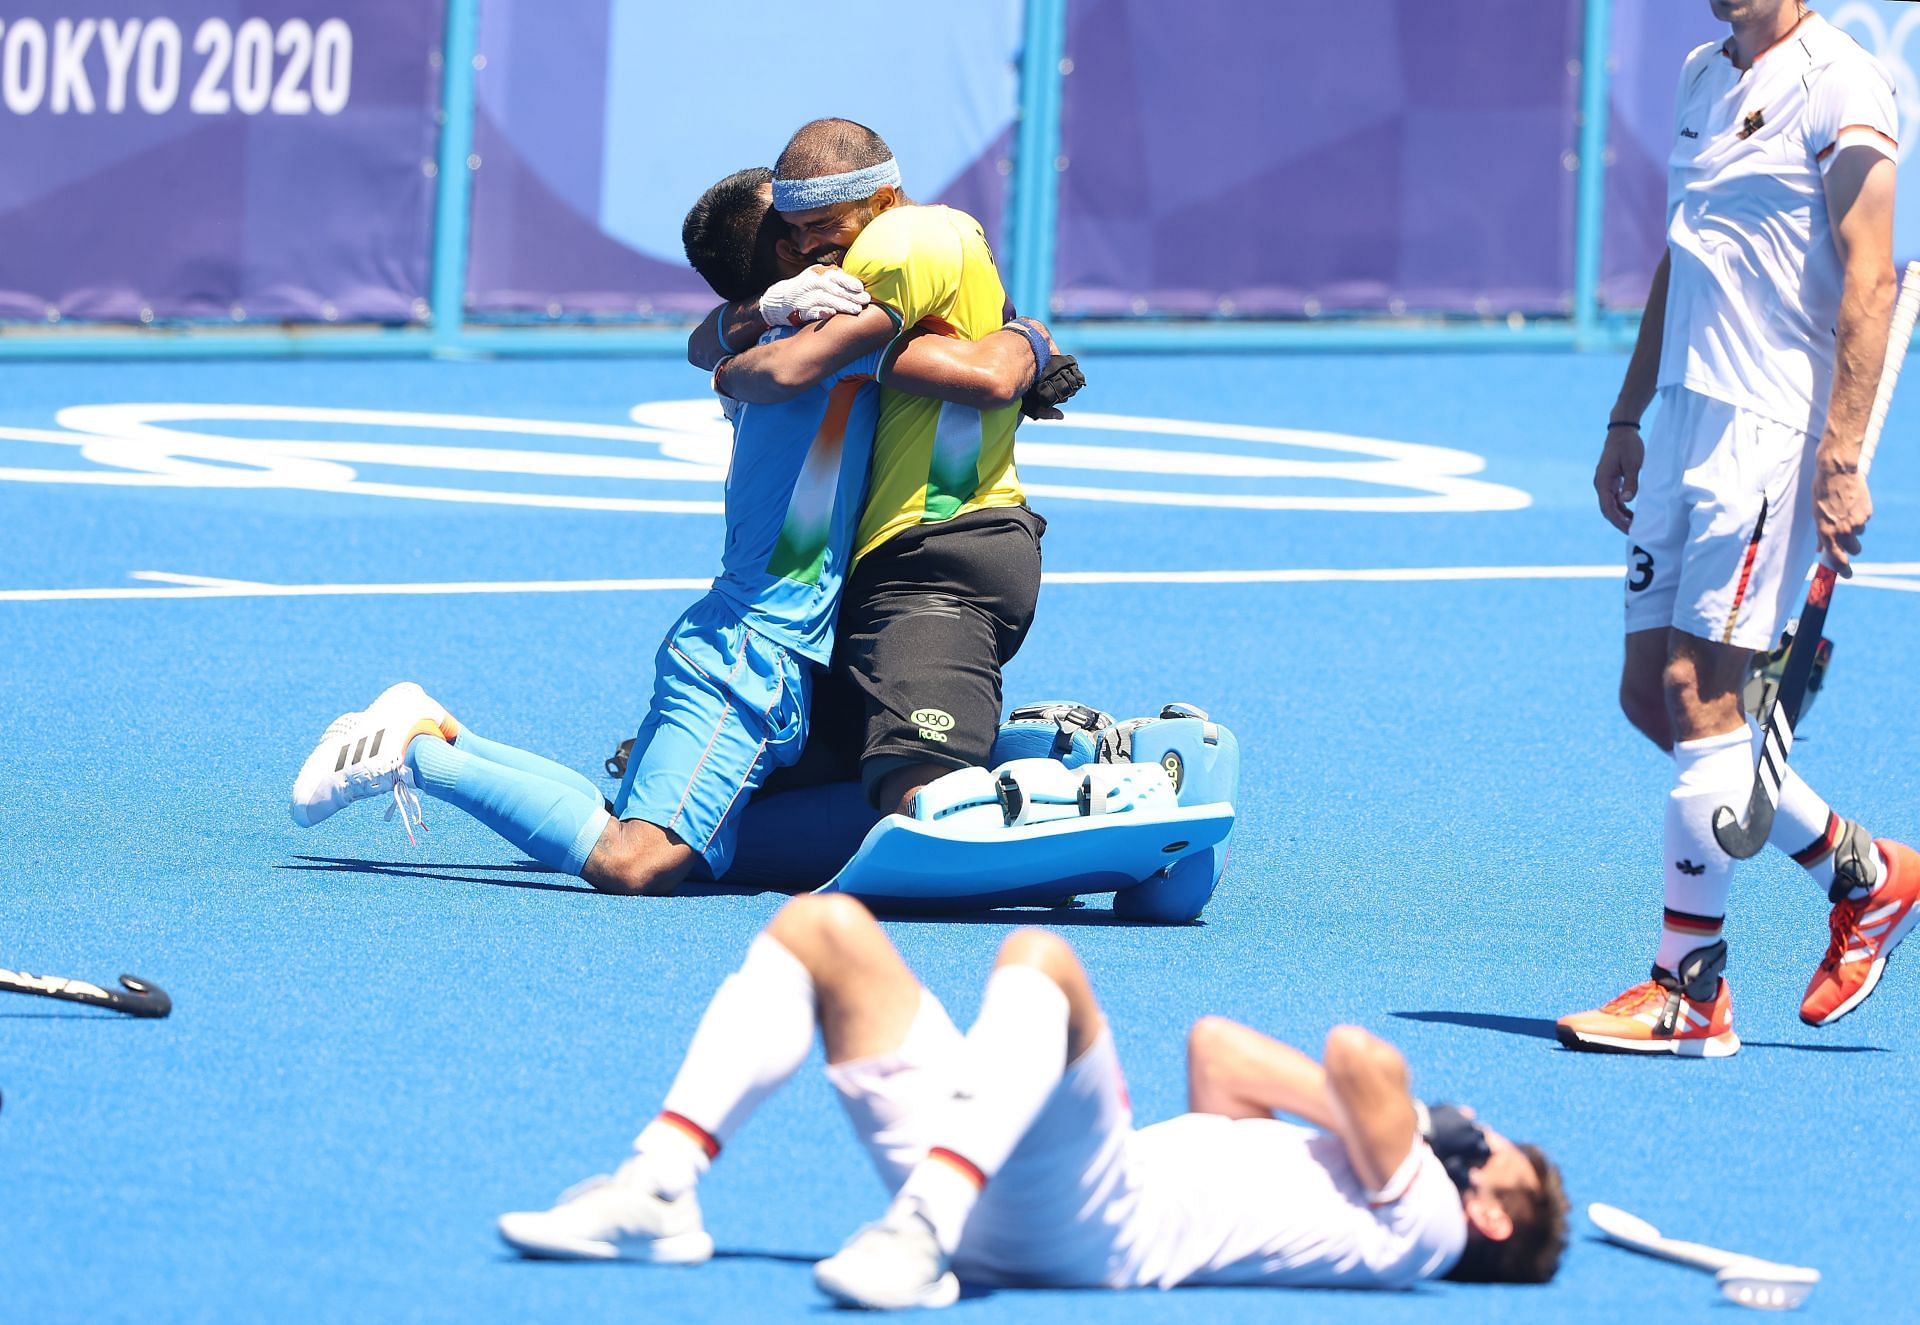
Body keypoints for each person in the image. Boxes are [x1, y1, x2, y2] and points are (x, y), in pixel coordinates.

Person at [286, 168, 1069, 897]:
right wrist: (1032, 340)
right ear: (790, 259)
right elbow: (980, 371)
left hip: (778, 651)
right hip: (748, 650)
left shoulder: (783, 331)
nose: (841, 240)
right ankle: (413, 753)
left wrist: (750, 321)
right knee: (639, 860)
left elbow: (708, 341)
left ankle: (438, 728)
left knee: (665, 828)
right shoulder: (822, 347)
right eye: (806, 229)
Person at [495, 894, 1566, 1305]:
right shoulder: (1360, 1181)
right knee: (822, 929)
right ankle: (662, 1183)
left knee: (1042, 957)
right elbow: (1218, 1051)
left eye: (1497, 1156)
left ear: (1489, 1212)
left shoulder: (1423, 1223)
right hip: (1035, 1187)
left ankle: (920, 1226)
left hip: (1105, 1221)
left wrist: (1421, 1125)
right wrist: (1376, 1117)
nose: (1483, 1141)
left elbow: (1355, 1053)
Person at [1561, 0, 1916, 1055]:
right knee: (1651, 697)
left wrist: (1842, 454)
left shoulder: (1846, 84)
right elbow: (1684, 258)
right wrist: (1630, 412)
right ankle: (1866, 874)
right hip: (1681, 419)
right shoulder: (1698, 74)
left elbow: (1871, 277)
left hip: (1768, 432)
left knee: (1699, 694)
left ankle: (1690, 990)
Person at [688, 118, 1055, 821]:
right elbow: (707, 338)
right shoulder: (876, 276)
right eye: (791, 234)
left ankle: (1087, 789)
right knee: (764, 799)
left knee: (916, 794)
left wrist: (730, 368)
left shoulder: (894, 246)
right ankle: (1040, 758)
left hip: (934, 555)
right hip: (866, 578)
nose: (807, 247)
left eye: (821, 224)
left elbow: (983, 377)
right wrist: (1033, 339)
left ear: (883, 202)